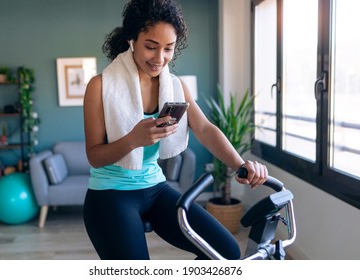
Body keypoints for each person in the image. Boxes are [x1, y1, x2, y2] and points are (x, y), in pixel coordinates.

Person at [83, 0, 268, 260]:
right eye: (151, 46)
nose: (160, 58)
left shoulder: (173, 85)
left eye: (168, 49)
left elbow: (204, 128)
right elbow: (94, 155)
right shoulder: (99, 86)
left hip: (155, 188)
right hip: (110, 194)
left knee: (225, 252)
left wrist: (240, 164)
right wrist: (134, 139)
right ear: (131, 39)